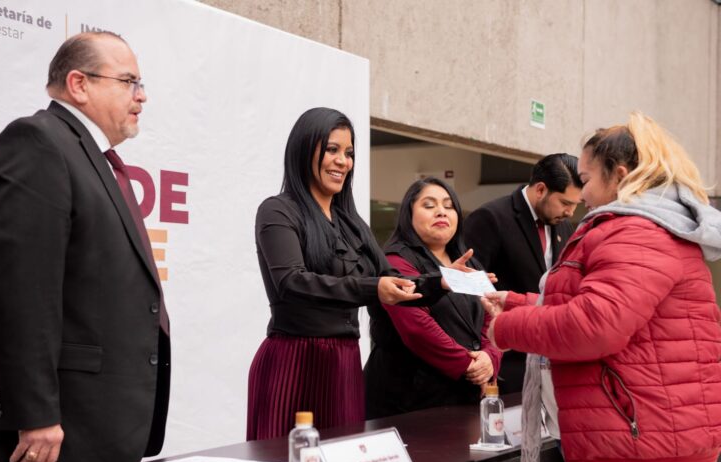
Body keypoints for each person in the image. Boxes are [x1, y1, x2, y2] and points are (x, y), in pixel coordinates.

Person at [0, 31, 170, 462]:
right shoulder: (37, 143)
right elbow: (17, 295)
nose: (142, 95)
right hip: (53, 436)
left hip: (98, 427)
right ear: (79, 84)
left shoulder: (91, 157)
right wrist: (34, 415)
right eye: (130, 81)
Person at [482, 112, 721, 462]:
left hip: (640, 448)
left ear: (621, 175)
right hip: (640, 439)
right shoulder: (647, 228)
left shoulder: (636, 231)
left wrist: (506, 328)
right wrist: (520, 303)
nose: (582, 195)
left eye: (587, 180)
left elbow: (595, 326)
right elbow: (604, 308)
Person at [248, 108, 471, 441]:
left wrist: (439, 281)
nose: (343, 161)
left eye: (349, 153)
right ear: (304, 148)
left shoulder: (353, 224)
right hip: (294, 360)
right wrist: (374, 288)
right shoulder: (278, 210)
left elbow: (394, 282)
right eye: (332, 149)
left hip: (344, 364)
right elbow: (292, 282)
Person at [364, 177, 501, 418]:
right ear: (408, 214)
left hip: (463, 393)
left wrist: (490, 358)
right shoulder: (395, 261)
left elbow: (493, 314)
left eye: (449, 206)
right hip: (409, 398)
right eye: (429, 206)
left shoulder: (468, 261)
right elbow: (417, 328)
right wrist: (469, 366)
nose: (441, 211)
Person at [461, 154, 582, 393]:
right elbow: (470, 291)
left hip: (550, 359)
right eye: (565, 203)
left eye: (576, 204)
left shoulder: (566, 227)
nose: (571, 212)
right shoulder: (491, 218)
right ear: (540, 189)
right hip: (506, 363)